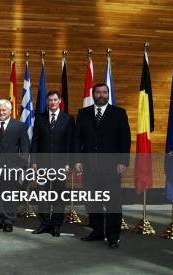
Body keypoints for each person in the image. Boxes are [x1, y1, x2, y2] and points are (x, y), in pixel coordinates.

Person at [74, 83, 130, 249]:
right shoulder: (83, 113)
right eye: (98, 92)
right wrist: (77, 160)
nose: (101, 95)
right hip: (89, 166)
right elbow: (78, 139)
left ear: (108, 94)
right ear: (93, 94)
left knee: (113, 202)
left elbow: (125, 139)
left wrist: (123, 162)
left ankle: (113, 236)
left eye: (104, 92)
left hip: (112, 166)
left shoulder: (119, 113)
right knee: (93, 201)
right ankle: (97, 232)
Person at [30, 91, 75, 237]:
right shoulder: (40, 118)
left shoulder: (68, 119)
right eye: (50, 100)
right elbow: (35, 141)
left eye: (55, 100)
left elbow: (70, 142)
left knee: (58, 196)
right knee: (42, 195)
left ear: (60, 101)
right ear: (47, 102)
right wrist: (34, 162)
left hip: (61, 164)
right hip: (42, 164)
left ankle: (56, 225)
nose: (52, 103)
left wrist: (69, 163)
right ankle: (44, 224)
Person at [0, 99, 30, 233]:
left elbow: (25, 147)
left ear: (10, 111)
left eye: (4, 110)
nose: (1, 112)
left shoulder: (19, 126)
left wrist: (22, 165)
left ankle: (8, 221)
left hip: (12, 167)